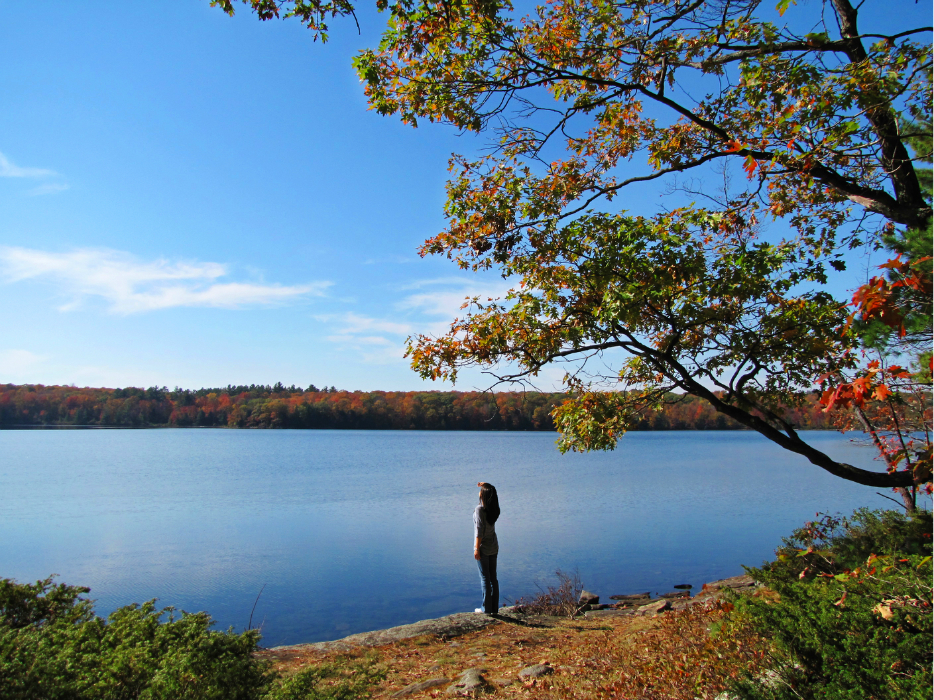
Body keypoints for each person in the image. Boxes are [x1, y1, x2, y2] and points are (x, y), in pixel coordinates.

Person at [473, 481, 500, 615]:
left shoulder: (480, 510)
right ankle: (494, 609)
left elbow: (479, 532)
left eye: (482, 490)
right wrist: (487, 484)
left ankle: (486, 610)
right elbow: (493, 492)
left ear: (484, 494)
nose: (479, 491)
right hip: (494, 546)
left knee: (485, 578)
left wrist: (476, 549)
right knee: (493, 578)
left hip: (483, 548)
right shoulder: (493, 509)